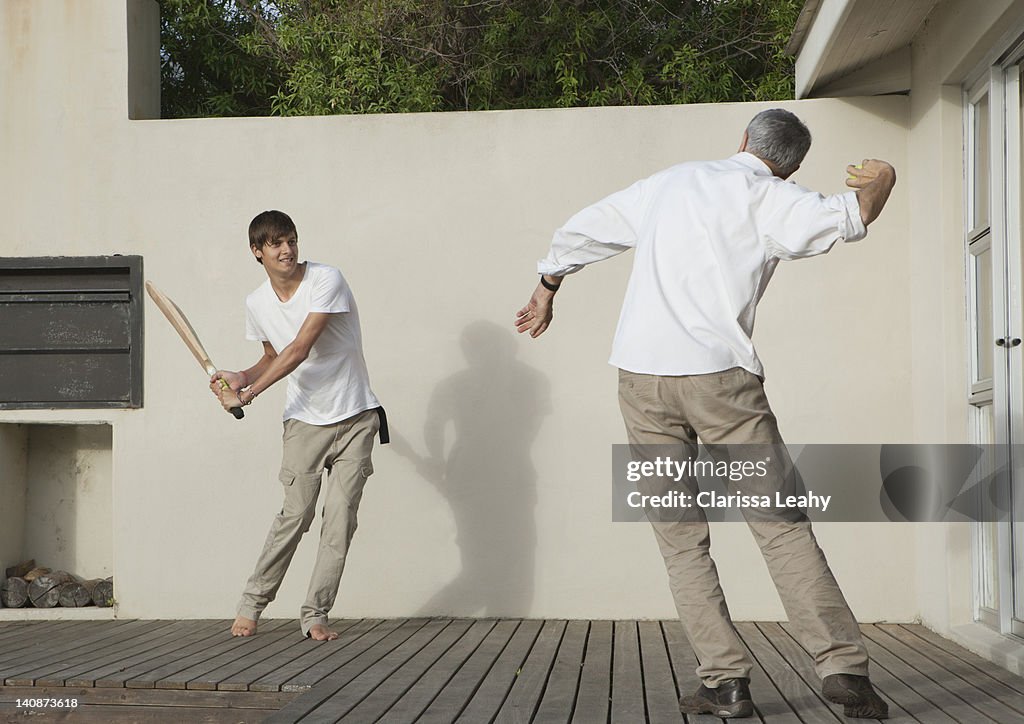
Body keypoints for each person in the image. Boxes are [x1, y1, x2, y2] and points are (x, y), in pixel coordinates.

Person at [514, 109, 896, 719]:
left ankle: (725, 682)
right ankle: (843, 669)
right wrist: (884, 176)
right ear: (791, 164)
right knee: (780, 526)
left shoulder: (674, 180)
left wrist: (548, 286)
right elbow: (853, 214)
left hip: (642, 381)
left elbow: (584, 230)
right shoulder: (776, 198)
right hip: (724, 382)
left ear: (743, 140)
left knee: (679, 539)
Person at [212, 210, 387, 642]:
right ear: (258, 252)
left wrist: (249, 396)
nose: (286, 250)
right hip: (305, 421)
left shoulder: (327, 279)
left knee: (340, 518)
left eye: (290, 240)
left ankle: (315, 614)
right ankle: (252, 604)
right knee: (295, 515)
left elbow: (300, 349)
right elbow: (273, 357)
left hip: (356, 416)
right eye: (275, 244)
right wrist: (242, 377)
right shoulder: (256, 303)